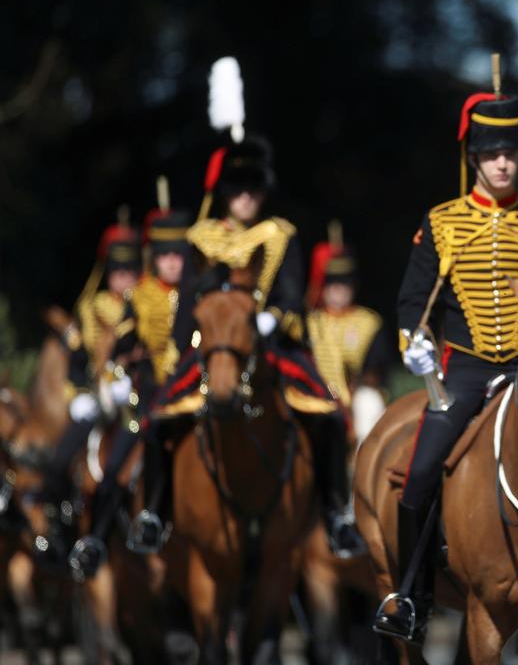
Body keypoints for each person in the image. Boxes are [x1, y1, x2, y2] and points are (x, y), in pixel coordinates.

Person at [127, 57, 359, 558]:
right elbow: (188, 304)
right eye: (238, 187)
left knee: (330, 416)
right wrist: (183, 351)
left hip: (271, 346)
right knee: (157, 419)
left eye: (254, 187)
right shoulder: (201, 238)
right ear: (226, 192)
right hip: (211, 348)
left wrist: (273, 317)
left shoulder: (282, 236)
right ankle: (155, 512)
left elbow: (293, 295)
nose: (247, 196)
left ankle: (335, 512)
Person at [373, 86, 518, 643]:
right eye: (491, 153)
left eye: (509, 152)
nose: (502, 161)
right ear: (474, 159)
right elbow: (414, 300)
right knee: (416, 477)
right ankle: (411, 595)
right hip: (463, 368)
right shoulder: (442, 223)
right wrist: (413, 341)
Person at [67, 208, 191, 579]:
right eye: (165, 255)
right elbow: (121, 346)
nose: (171, 263)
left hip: (193, 395)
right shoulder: (140, 295)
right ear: (155, 257)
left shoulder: (199, 294)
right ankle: (98, 538)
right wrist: (121, 373)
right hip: (150, 397)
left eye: (178, 255)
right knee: (114, 468)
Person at [36, 219, 140, 560]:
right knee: (60, 457)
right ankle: (60, 522)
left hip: (135, 399)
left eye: (130, 271)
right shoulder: (91, 307)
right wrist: (81, 391)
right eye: (118, 271)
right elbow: (80, 360)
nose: (124, 278)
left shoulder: (145, 305)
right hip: (97, 396)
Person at [305, 221, 391, 445]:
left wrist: (353, 391)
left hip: (357, 393)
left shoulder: (368, 322)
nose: (339, 290)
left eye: (344, 284)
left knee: (369, 405)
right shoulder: (310, 323)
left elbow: (377, 368)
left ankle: (365, 469)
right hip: (314, 391)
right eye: (333, 284)